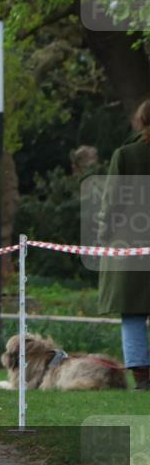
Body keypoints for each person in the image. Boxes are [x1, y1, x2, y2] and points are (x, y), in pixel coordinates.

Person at [98, 98, 150, 391]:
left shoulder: (126, 155)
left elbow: (113, 200)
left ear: (140, 121)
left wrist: (104, 236)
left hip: (130, 244)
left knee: (132, 313)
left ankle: (142, 378)